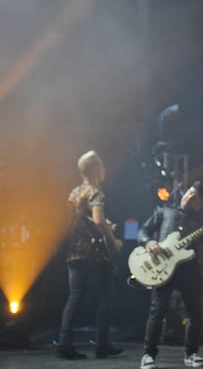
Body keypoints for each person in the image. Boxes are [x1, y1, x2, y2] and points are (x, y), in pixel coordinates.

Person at [137, 181, 203, 369]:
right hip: (163, 269)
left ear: (201, 204)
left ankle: (191, 353)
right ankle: (148, 355)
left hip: (189, 271)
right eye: (189, 192)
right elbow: (143, 230)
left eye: (195, 196)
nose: (189, 196)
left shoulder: (201, 224)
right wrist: (148, 242)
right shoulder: (165, 212)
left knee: (195, 314)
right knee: (156, 311)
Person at [56, 150, 123, 359]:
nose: (104, 170)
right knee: (106, 296)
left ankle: (64, 343)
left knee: (75, 297)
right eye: (101, 166)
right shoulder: (96, 192)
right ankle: (102, 345)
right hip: (94, 254)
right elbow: (97, 220)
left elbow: (73, 222)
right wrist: (114, 241)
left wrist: (103, 223)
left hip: (74, 252)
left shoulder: (74, 192)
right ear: (94, 169)